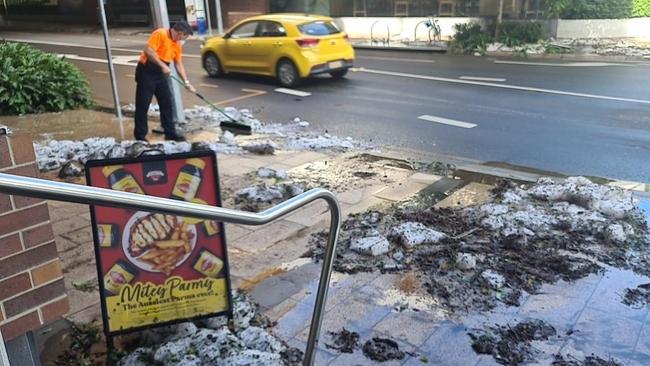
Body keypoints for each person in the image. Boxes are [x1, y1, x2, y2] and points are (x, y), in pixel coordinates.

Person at [134, 21, 196, 142]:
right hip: (146, 72)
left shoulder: (177, 44)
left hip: (160, 75)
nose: (184, 40)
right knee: (143, 105)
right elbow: (149, 50)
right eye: (185, 37)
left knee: (167, 103)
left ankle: (170, 133)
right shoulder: (160, 34)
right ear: (180, 33)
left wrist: (186, 82)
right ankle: (140, 136)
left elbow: (178, 63)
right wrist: (162, 66)